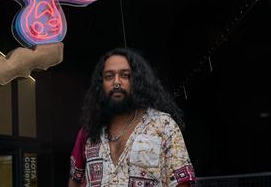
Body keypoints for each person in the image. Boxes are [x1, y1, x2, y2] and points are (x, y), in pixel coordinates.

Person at [69, 48, 197, 187]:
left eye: (125, 75)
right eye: (109, 76)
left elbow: (181, 184)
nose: (116, 82)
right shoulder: (89, 131)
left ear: (138, 81)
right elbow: (74, 181)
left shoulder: (163, 125)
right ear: (101, 84)